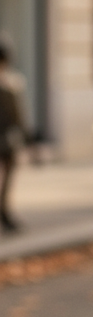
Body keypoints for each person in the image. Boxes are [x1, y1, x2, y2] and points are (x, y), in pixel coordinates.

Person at [0, 41, 27, 233]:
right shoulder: (10, 84)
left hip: (5, 140)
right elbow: (18, 117)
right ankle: (4, 212)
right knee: (7, 178)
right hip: (5, 141)